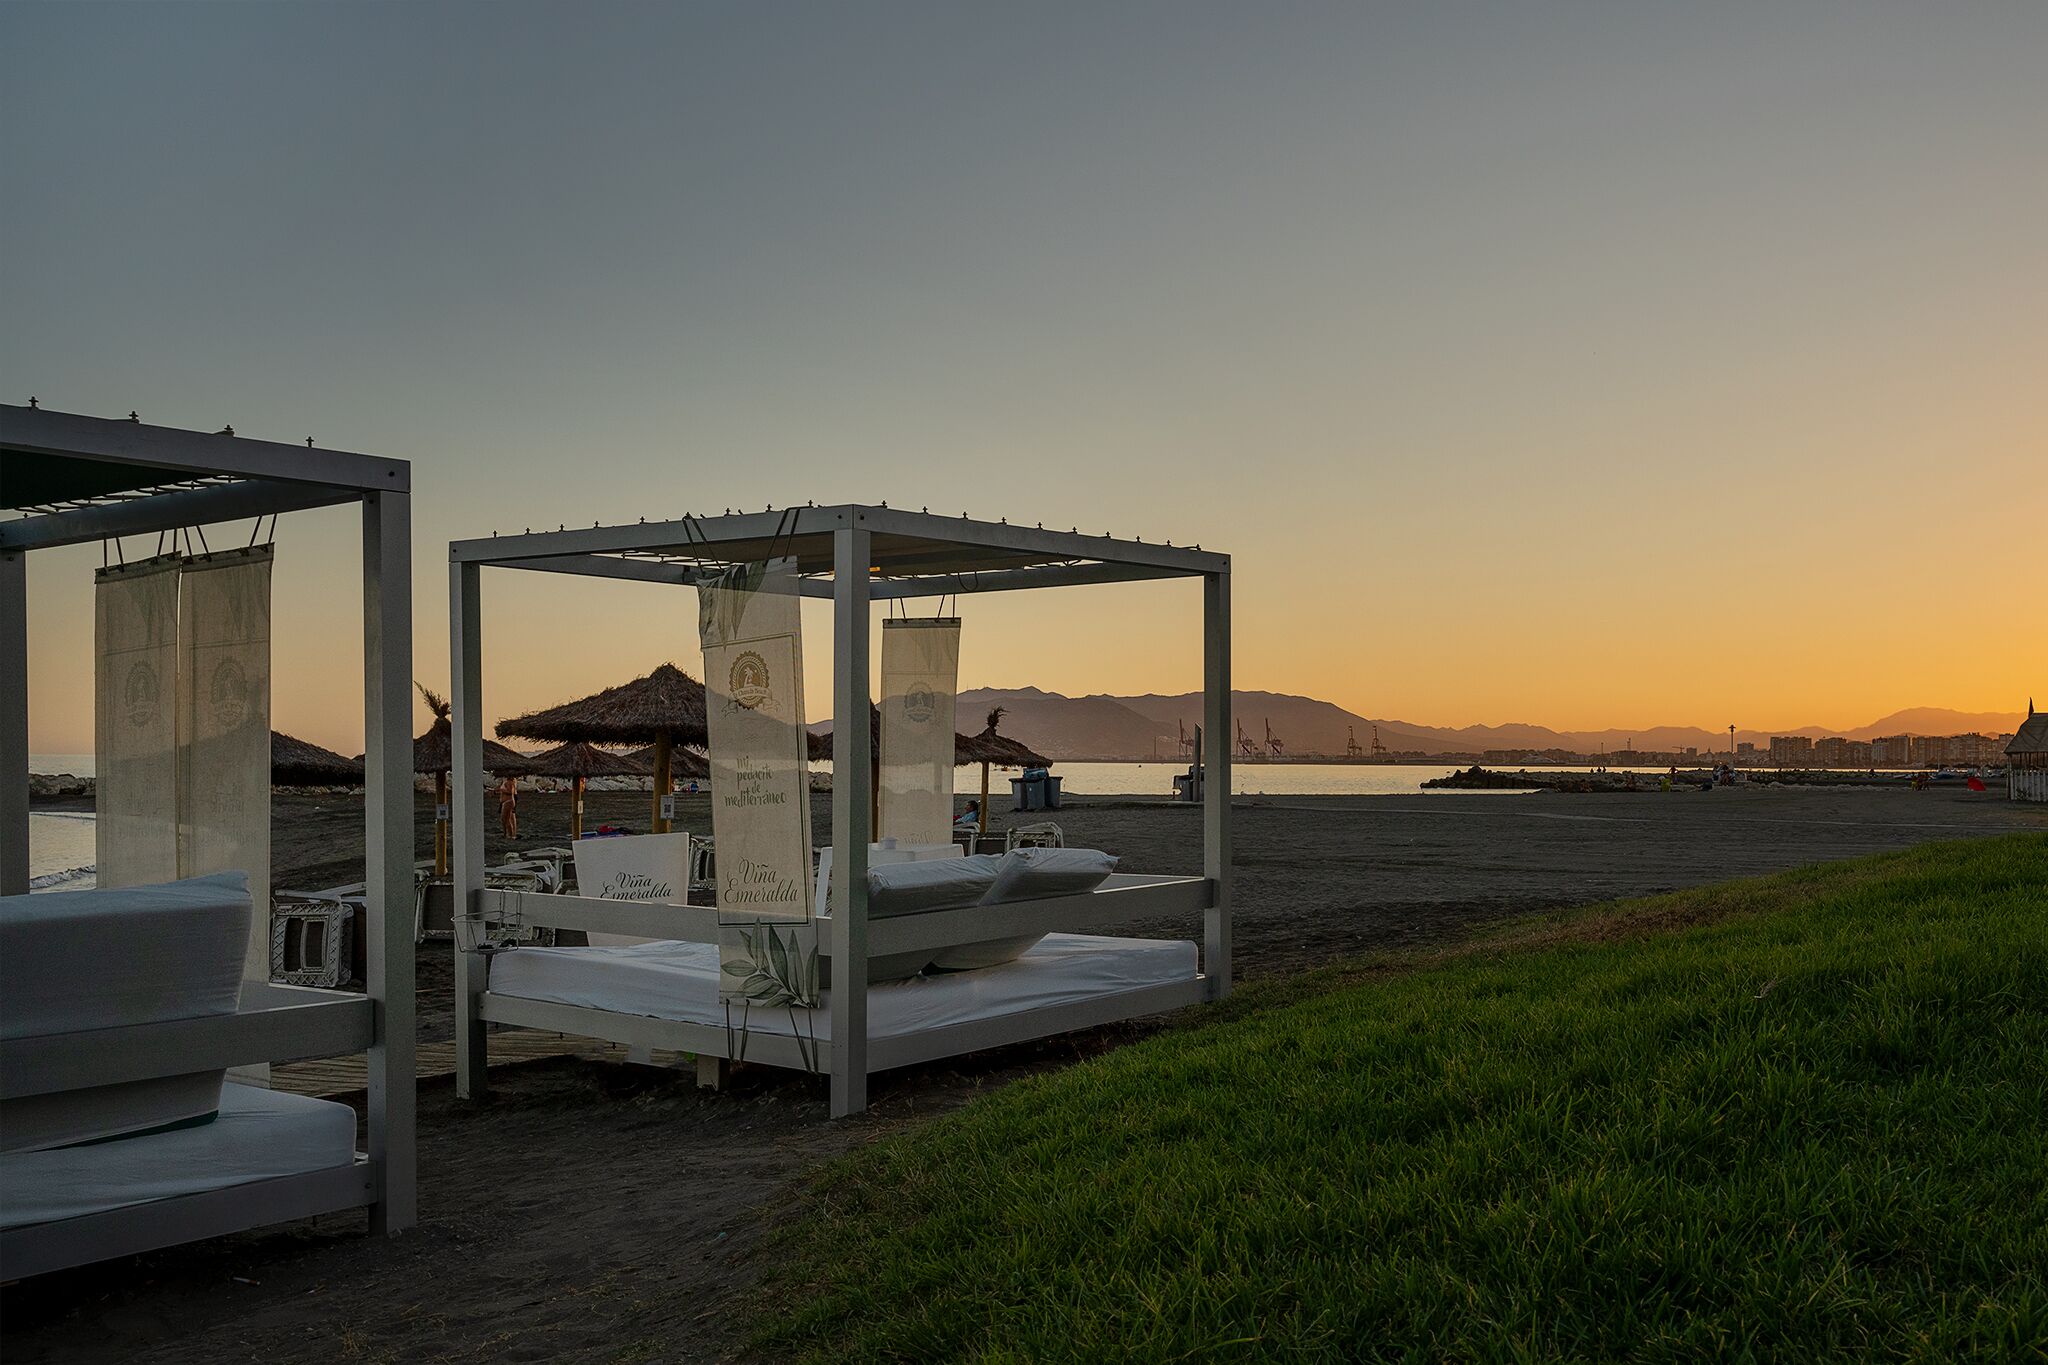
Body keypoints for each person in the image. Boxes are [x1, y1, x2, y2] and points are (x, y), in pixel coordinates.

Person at [496, 774, 519, 839]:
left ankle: (511, 834)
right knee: (504, 819)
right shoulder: (505, 782)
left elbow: (510, 792)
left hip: (508, 801)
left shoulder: (510, 782)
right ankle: (506, 834)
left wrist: (501, 789)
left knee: (507, 818)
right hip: (505, 801)